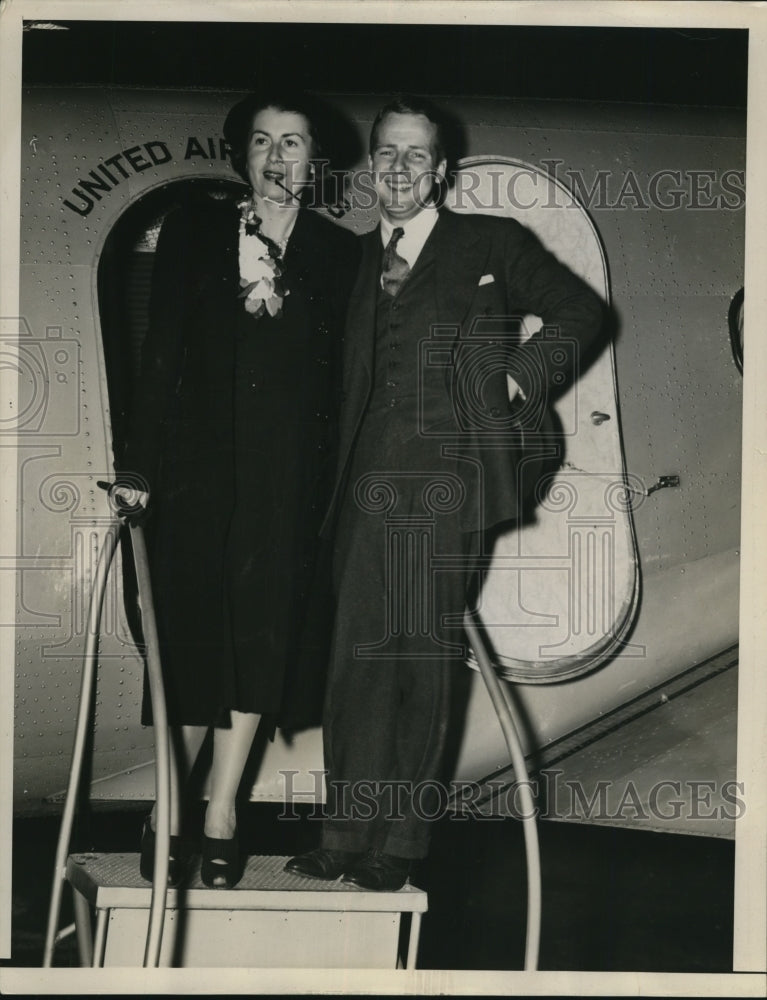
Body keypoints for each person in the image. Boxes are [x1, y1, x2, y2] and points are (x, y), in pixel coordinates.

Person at [285, 96, 604, 890]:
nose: (398, 168)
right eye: (386, 153)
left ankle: (399, 844)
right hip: (363, 482)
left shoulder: (489, 242)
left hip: (450, 476)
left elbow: (581, 312)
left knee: (419, 660)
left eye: (415, 156)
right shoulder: (351, 258)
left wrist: (513, 376)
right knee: (357, 660)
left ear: (441, 170)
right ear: (370, 165)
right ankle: (344, 833)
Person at [114, 91, 358, 888]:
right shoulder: (192, 232)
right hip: (195, 470)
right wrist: (139, 468)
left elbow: (345, 386)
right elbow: (161, 358)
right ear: (241, 155)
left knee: (260, 640)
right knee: (190, 636)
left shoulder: (339, 253)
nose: (278, 157)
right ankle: (170, 808)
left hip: (286, 480)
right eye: (262, 141)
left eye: (294, 142)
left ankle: (220, 813)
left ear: (315, 162)